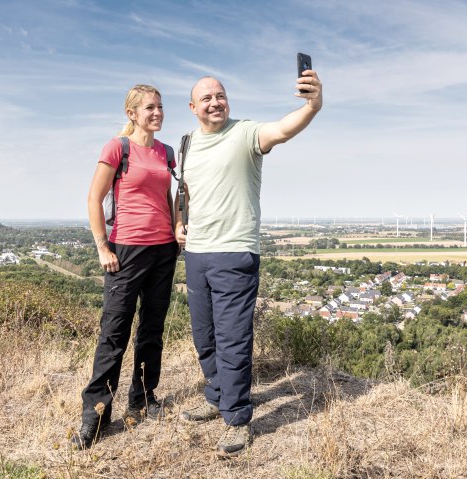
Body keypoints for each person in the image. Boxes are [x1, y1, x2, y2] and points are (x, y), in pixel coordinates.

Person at [175, 68, 323, 457]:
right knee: (204, 336)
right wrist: (179, 224)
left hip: (235, 251)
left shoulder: (245, 133)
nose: (215, 101)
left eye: (220, 95)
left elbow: (283, 129)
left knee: (233, 340)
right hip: (196, 253)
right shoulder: (187, 143)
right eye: (206, 98)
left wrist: (313, 105)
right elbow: (185, 194)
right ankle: (215, 396)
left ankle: (237, 418)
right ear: (193, 107)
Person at [72, 84, 179, 449]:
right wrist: (103, 246)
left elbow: (167, 197)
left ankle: (144, 399)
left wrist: (177, 225)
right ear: (132, 113)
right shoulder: (117, 148)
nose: (158, 113)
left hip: (163, 249)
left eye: (161, 107)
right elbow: (94, 197)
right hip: (126, 250)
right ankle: (96, 416)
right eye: (150, 107)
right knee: (114, 333)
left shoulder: (166, 152)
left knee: (152, 328)